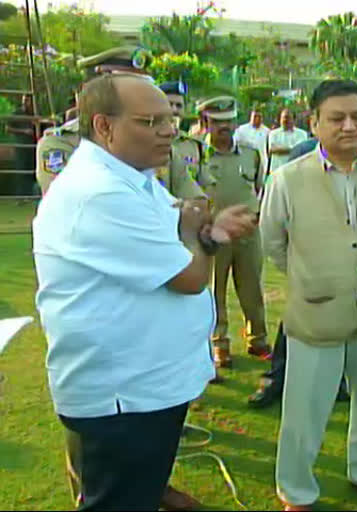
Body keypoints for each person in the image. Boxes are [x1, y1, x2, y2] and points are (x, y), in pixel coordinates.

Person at [32, 73, 257, 511]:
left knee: (131, 492)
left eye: (170, 119)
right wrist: (200, 236)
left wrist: (201, 232)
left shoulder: (131, 177)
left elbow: (172, 239)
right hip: (125, 395)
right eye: (150, 121)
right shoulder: (99, 193)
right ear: (104, 127)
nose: (170, 130)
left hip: (144, 384)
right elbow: (188, 275)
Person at [261, 79, 357, 511]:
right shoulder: (288, 178)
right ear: (315, 123)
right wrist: (316, 277)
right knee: (305, 408)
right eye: (337, 118)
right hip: (316, 311)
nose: (350, 126)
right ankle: (296, 490)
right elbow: (273, 242)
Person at [198, 95, 270, 367]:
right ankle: (220, 344)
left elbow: (261, 188)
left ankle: (258, 340)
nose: (224, 127)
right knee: (215, 292)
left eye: (229, 121)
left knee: (252, 288)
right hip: (213, 235)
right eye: (217, 123)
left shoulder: (251, 153)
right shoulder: (198, 155)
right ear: (205, 123)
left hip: (248, 234)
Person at [35, 46, 152, 196]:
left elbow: (185, 202)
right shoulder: (62, 143)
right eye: (127, 86)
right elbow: (74, 202)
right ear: (92, 89)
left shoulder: (154, 139)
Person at [157, 80, 216, 201]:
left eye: (179, 106)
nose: (174, 110)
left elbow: (206, 184)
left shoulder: (195, 146)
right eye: (169, 104)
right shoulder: (145, 142)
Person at [6, 94, 37, 196]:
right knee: (21, 169)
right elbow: (8, 128)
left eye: (28, 101)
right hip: (21, 145)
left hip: (32, 146)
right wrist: (24, 131)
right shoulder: (17, 113)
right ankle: (20, 195)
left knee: (31, 169)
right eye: (25, 101)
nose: (26, 103)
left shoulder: (33, 113)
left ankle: (30, 194)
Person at [234, 106, 271, 175]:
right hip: (245, 162)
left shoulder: (267, 132)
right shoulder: (241, 129)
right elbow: (235, 143)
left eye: (259, 117)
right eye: (255, 116)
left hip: (261, 163)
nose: (257, 119)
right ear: (250, 117)